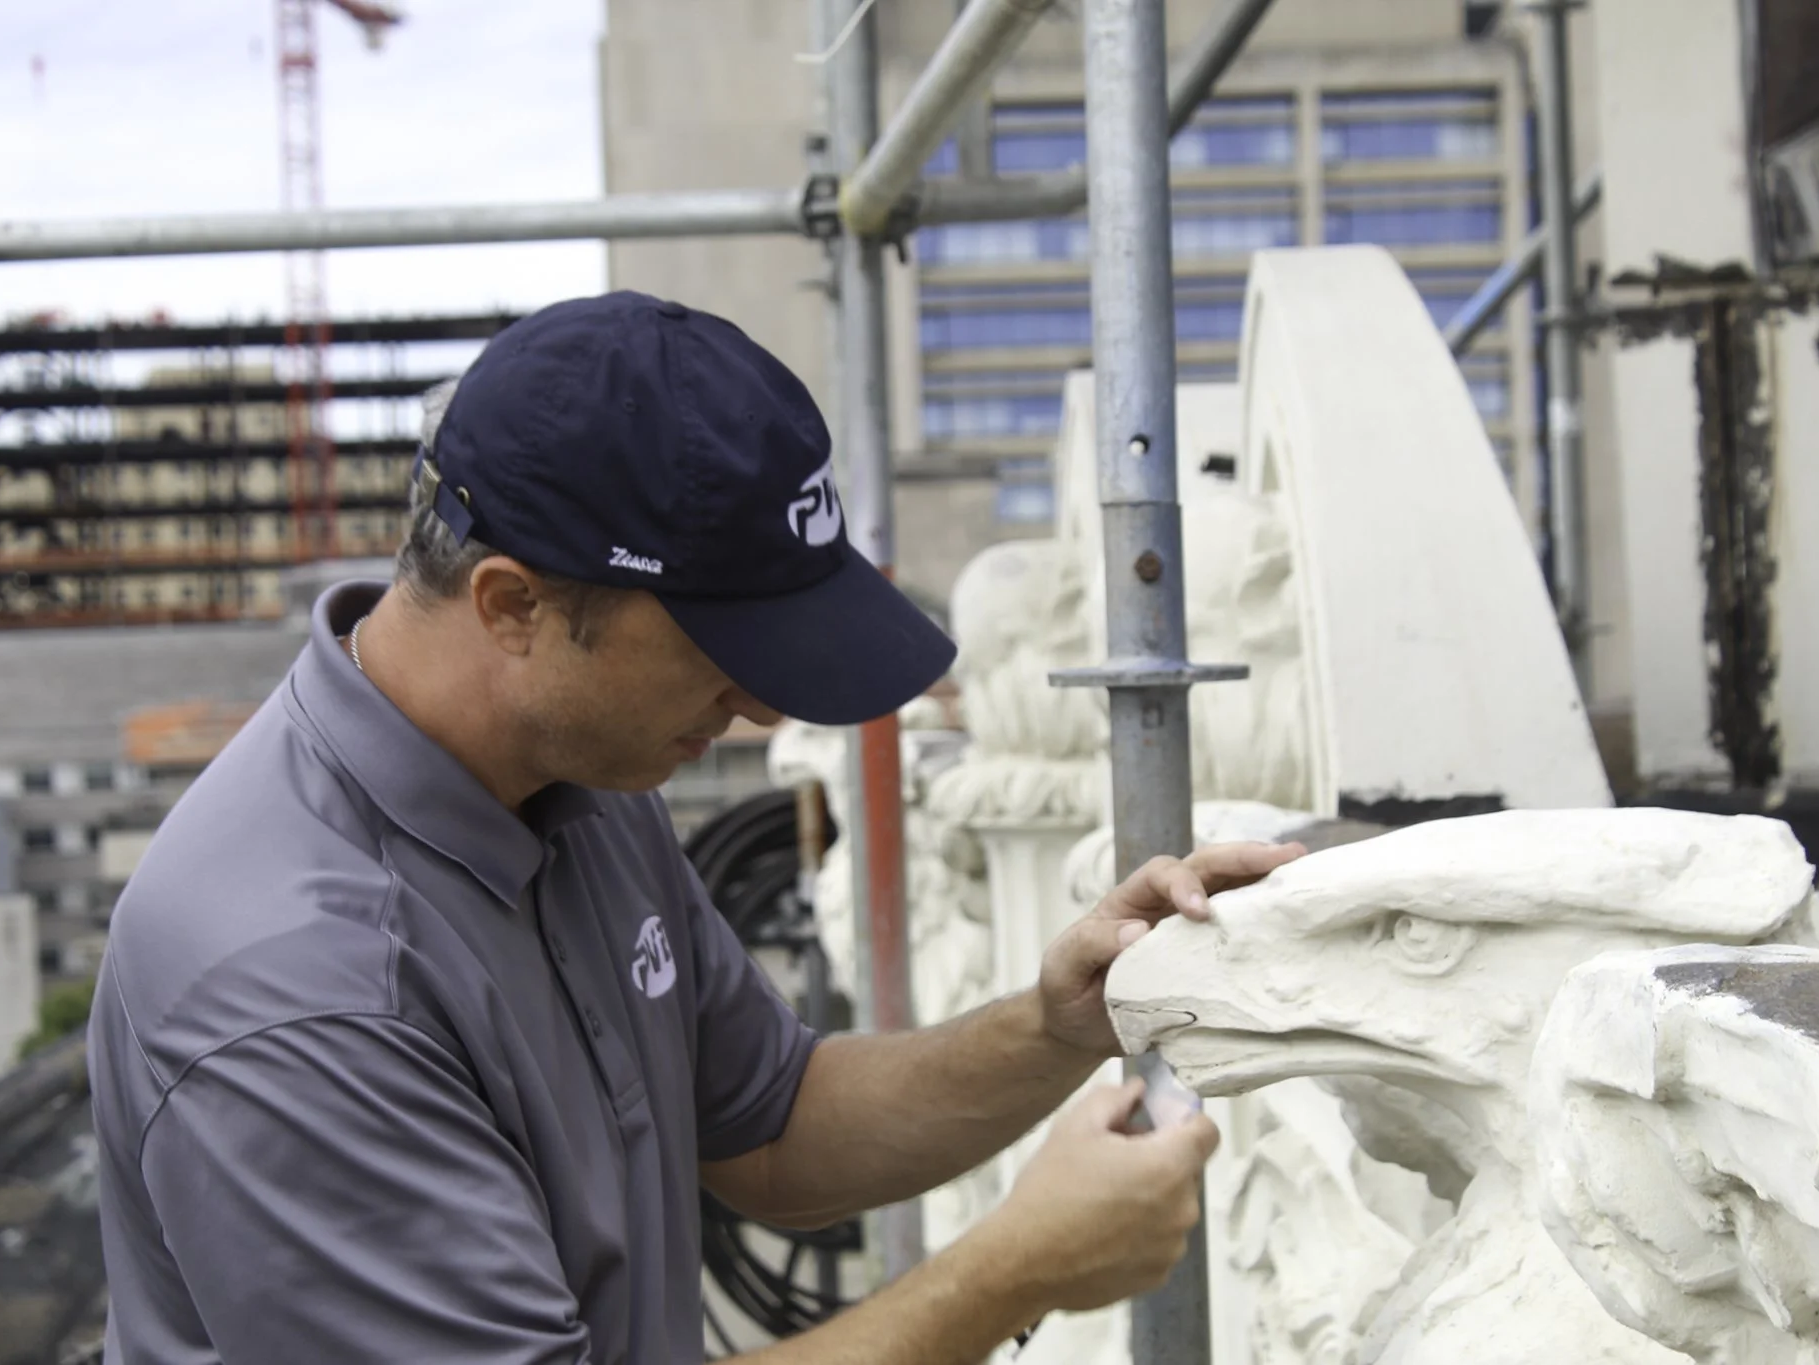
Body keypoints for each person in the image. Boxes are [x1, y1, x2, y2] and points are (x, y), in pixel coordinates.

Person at [88, 290, 1303, 1365]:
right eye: (724, 649)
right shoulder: (297, 986)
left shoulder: (579, 782)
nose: (762, 708)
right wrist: (1011, 1272)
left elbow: (771, 1128)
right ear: (512, 606)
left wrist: (1054, 1024)